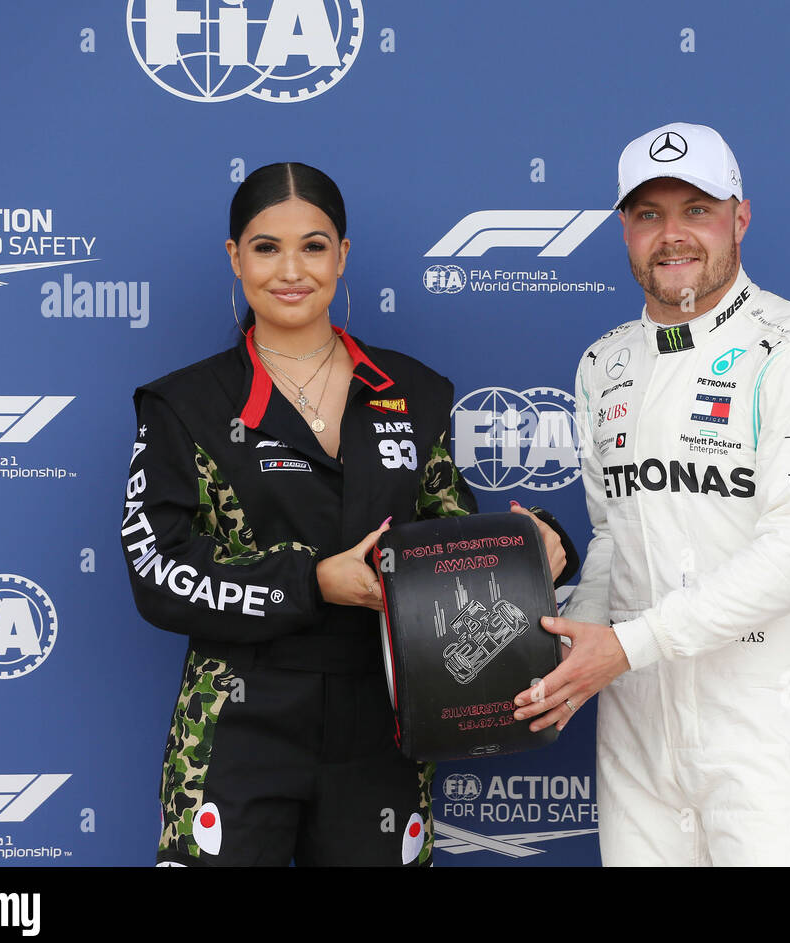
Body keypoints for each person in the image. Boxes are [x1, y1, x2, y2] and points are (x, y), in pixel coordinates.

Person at [121, 162, 572, 866]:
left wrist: (538, 542)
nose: (291, 269)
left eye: (315, 245)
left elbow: (451, 550)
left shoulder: (415, 391)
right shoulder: (185, 404)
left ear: (343, 255)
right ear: (235, 257)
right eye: (267, 247)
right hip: (236, 722)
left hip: (388, 719)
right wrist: (313, 582)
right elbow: (158, 571)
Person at [512, 123, 790, 866]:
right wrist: (565, 657)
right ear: (624, 230)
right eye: (649, 214)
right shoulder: (603, 363)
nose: (672, 235)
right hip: (636, 726)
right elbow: (614, 533)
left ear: (740, 217)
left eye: (697, 210)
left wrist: (624, 647)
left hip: (756, 720)